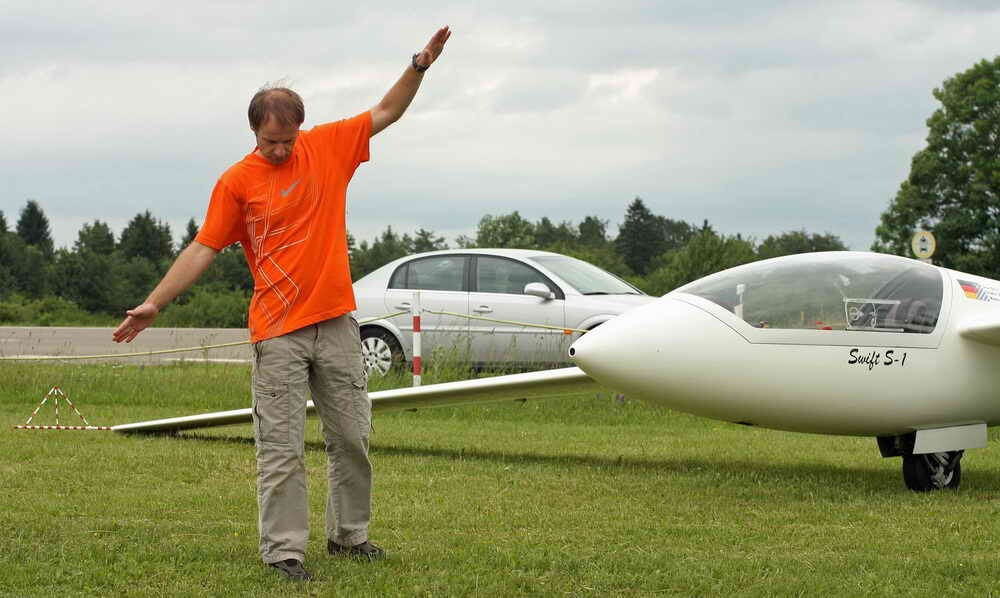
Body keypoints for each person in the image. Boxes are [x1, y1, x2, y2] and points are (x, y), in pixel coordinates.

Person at [112, 26, 452, 582]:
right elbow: (204, 247)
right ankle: (284, 551)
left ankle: (350, 536)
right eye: (271, 141)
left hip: (337, 322)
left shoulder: (327, 146)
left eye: (288, 139)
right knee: (281, 447)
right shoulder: (237, 182)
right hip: (277, 332)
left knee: (351, 436)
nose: (281, 149)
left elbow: (388, 110)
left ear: (300, 127)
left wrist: (419, 64)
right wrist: (154, 302)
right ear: (254, 130)